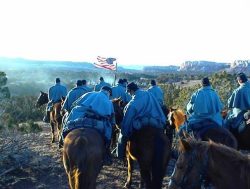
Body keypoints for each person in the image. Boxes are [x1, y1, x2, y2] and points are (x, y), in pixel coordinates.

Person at [60, 86, 115, 164]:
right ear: (109, 92)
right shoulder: (109, 101)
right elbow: (111, 118)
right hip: (97, 122)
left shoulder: (89, 94)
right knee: (107, 133)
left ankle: (62, 141)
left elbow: (74, 104)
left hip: (80, 118)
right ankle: (106, 153)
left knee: (67, 124)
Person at [116, 82, 166, 159]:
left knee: (123, 135)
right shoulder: (149, 94)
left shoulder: (133, 102)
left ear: (131, 91)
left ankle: (120, 155)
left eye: (129, 92)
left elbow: (129, 117)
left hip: (141, 123)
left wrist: (124, 130)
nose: (129, 94)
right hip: (156, 121)